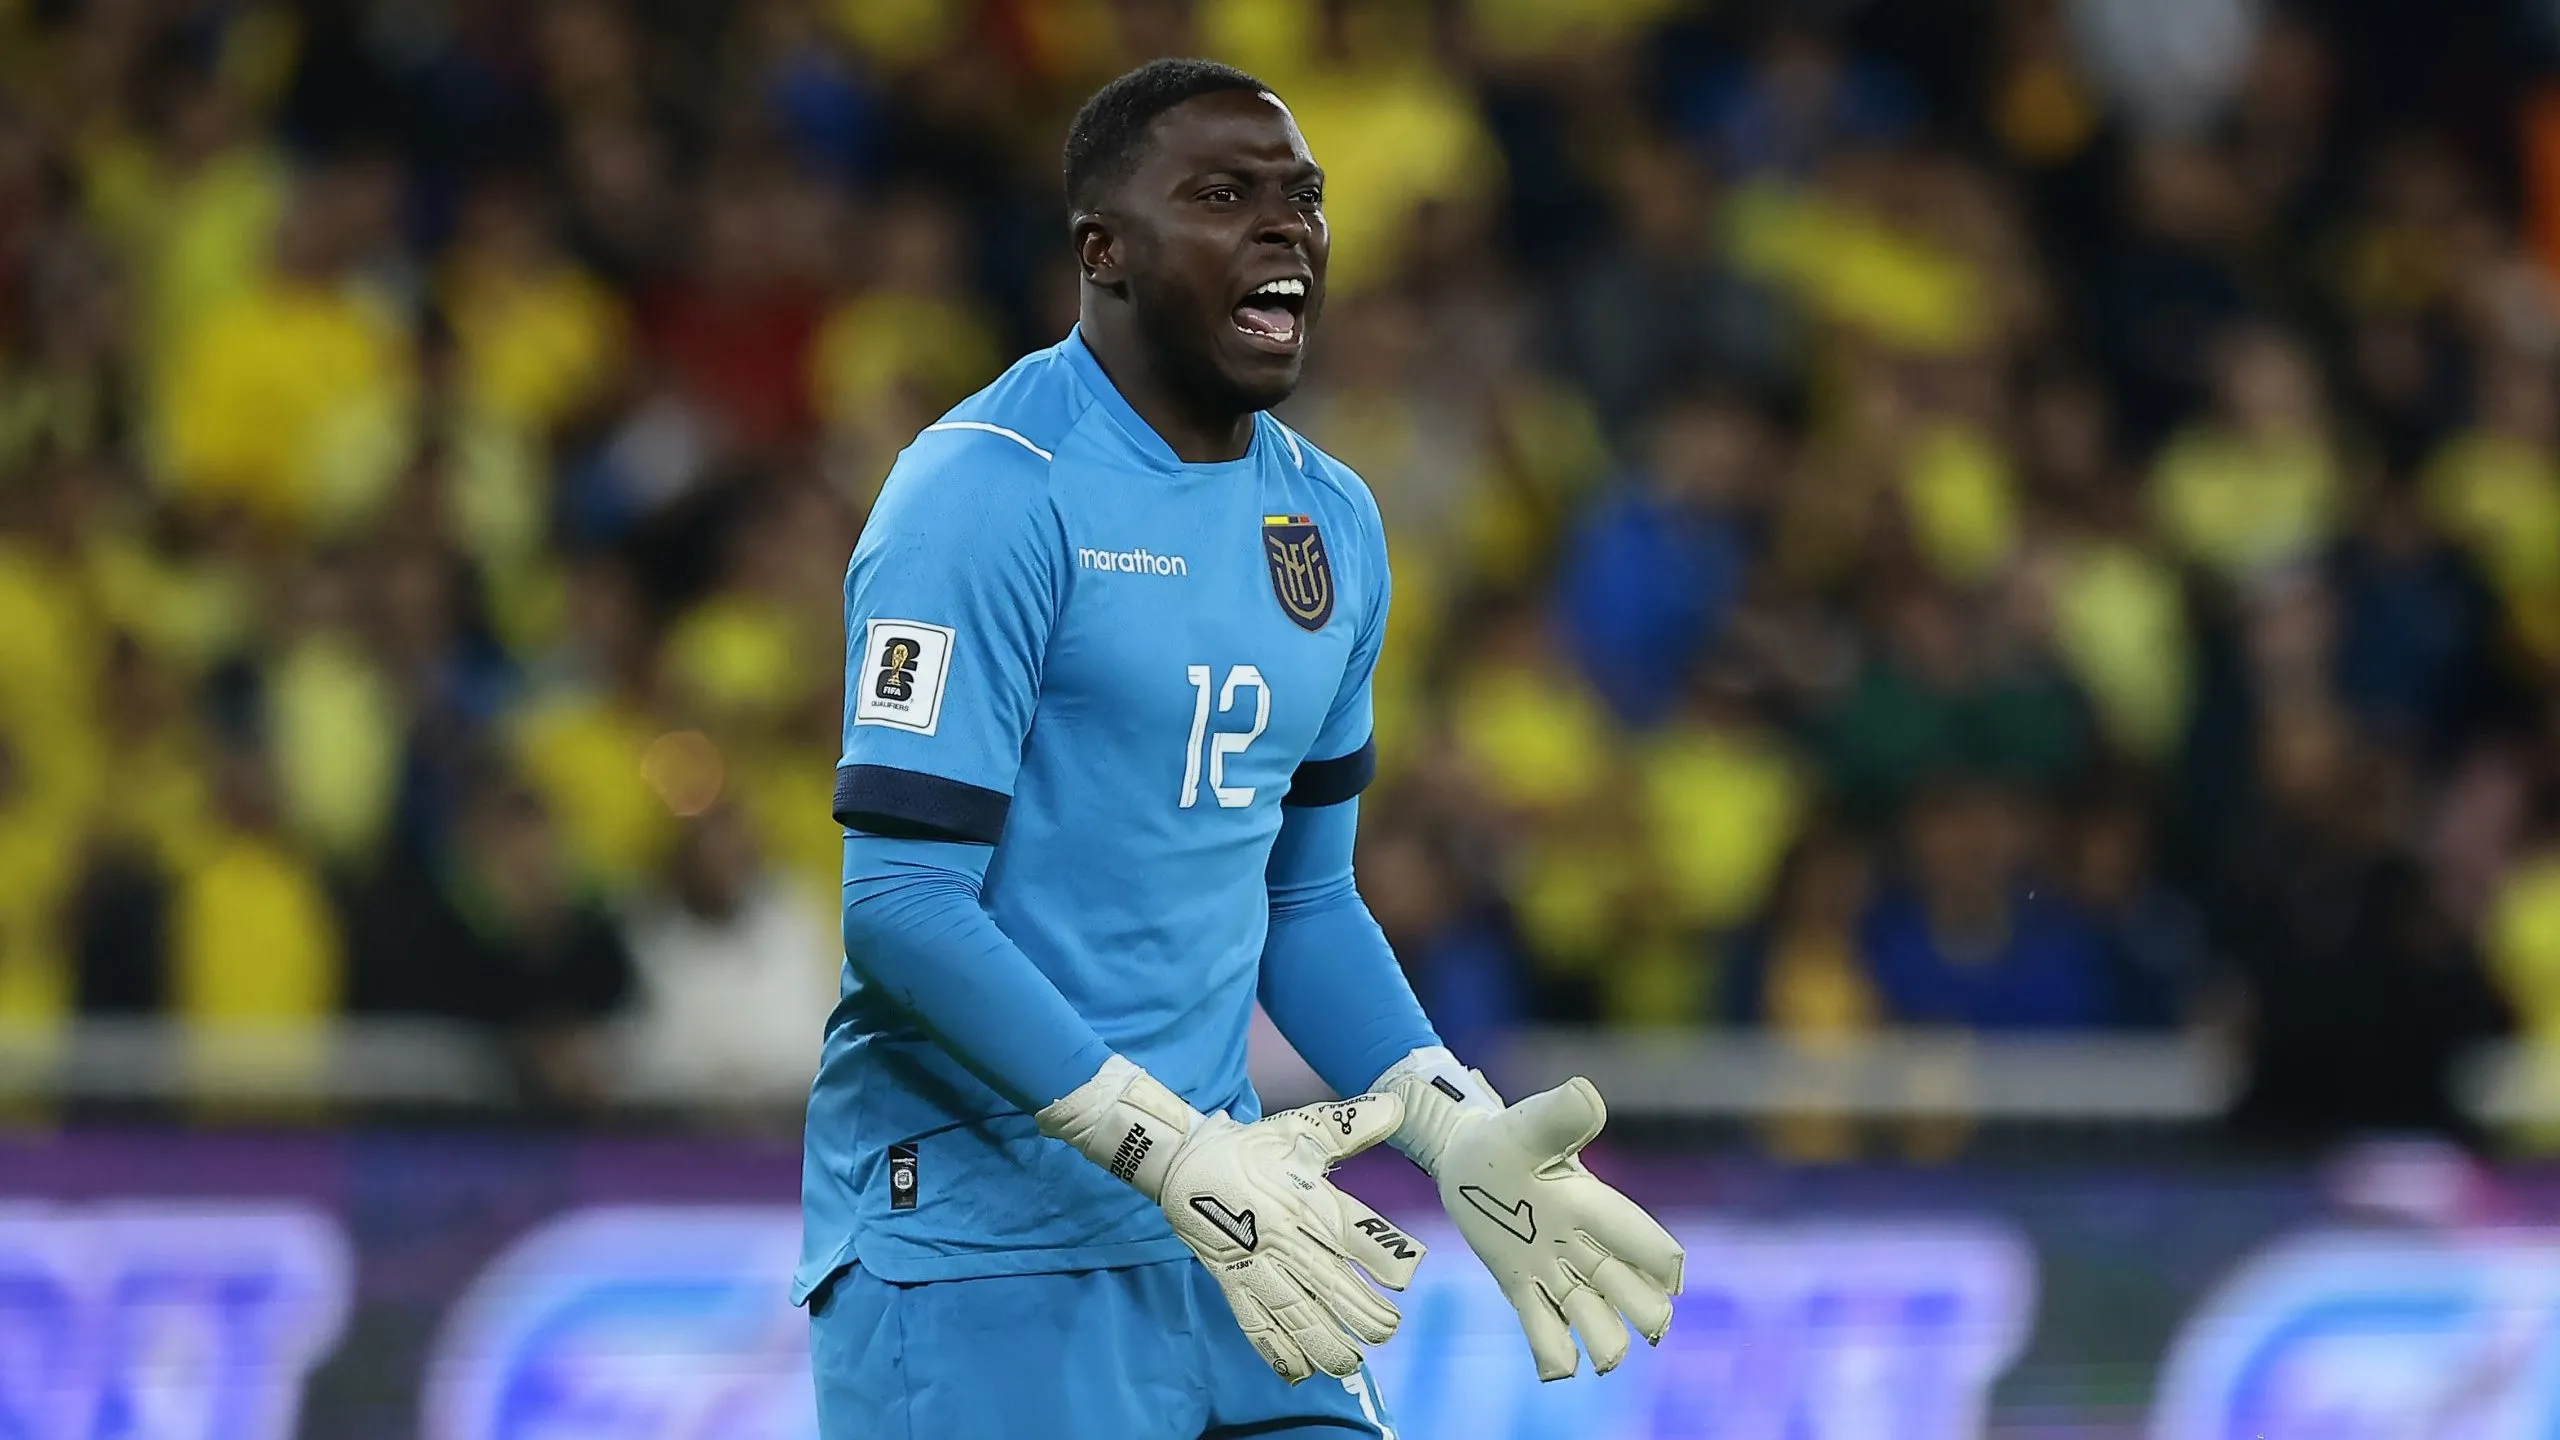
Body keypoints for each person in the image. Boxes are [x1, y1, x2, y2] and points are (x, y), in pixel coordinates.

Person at [797, 58, 1684, 1440]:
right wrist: (1163, 1149)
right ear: (1106, 253)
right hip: (986, 1252)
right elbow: (902, 907)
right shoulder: (984, 489)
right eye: (1224, 196)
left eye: (1304, 200)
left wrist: (1452, 1127)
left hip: (1240, 1233)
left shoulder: (1327, 523)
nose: (1287, 230)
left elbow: (1302, 896)